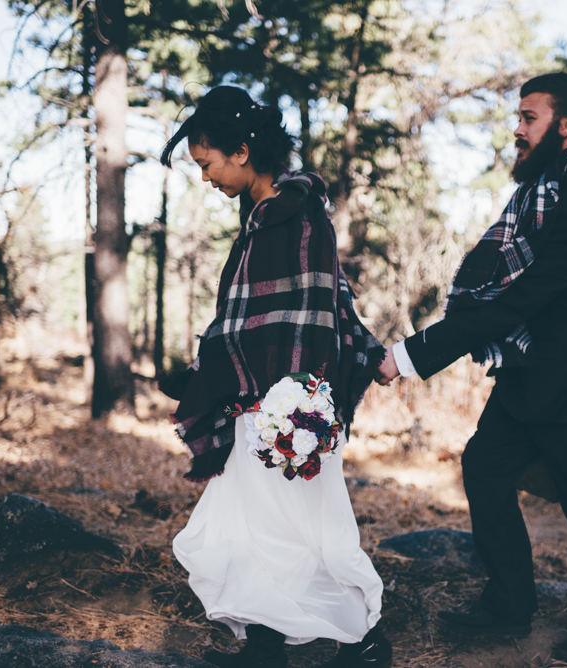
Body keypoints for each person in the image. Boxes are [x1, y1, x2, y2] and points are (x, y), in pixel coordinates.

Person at [377, 72, 567, 667]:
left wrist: (410, 356)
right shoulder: (540, 192)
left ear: (566, 126)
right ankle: (509, 601)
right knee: (486, 467)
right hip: (533, 375)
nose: (516, 129)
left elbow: (517, 303)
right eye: (518, 117)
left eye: (528, 117)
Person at [158, 86, 392, 668]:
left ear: (240, 151)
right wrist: (207, 370)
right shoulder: (262, 215)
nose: (205, 176)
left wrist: (321, 384)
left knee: (307, 530)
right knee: (251, 527)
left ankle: (363, 643)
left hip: (291, 410)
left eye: (206, 162)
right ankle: (264, 648)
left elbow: (319, 307)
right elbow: (253, 317)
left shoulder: (295, 212)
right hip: (255, 403)